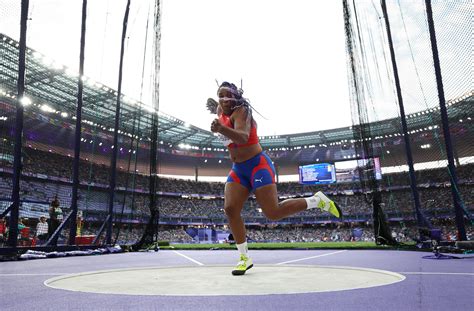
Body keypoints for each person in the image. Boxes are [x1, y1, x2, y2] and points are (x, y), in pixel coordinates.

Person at [208, 81, 342, 276]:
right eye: (220, 95)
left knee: (273, 213)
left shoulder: (242, 111)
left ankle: (316, 201)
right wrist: (215, 111)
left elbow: (243, 137)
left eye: (228, 95)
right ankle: (244, 258)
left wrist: (221, 129)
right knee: (230, 208)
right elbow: (219, 113)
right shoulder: (221, 109)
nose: (224, 99)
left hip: (257, 165)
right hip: (238, 168)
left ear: (236, 97)